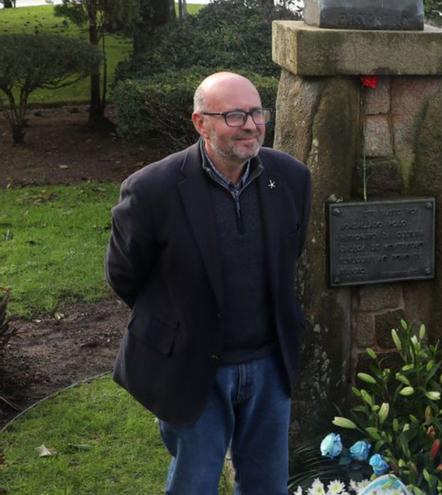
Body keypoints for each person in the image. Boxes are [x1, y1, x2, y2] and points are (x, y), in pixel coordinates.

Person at [105, 72, 311, 494]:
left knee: (268, 485)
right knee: (194, 484)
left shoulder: (291, 178)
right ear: (200, 123)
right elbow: (125, 276)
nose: (251, 125)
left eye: (257, 113)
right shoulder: (152, 190)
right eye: (235, 116)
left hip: (269, 365)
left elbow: (290, 254)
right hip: (193, 366)